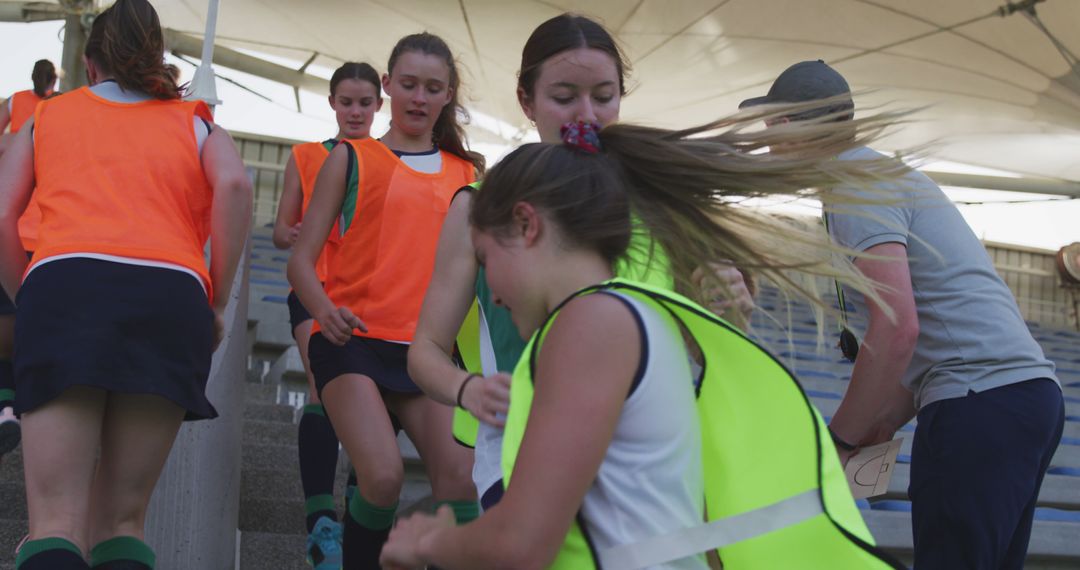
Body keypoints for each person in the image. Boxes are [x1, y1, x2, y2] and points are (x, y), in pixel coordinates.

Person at [381, 118, 909, 570]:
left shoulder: (588, 324)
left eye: (486, 257)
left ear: (525, 224)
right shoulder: (628, 315)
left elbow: (522, 543)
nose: (490, 294)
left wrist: (426, 539)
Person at [407, 13, 754, 512]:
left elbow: (695, 345)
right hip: (522, 459)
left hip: (651, 466)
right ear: (526, 101)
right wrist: (469, 390)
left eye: (604, 96)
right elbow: (425, 352)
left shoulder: (662, 205)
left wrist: (729, 309)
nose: (586, 114)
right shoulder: (477, 208)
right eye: (565, 97)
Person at [741, 60, 1065, 570]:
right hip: (1024, 399)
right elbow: (917, 344)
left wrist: (840, 439)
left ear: (789, 123)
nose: (765, 146)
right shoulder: (876, 176)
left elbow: (897, 329)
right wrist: (869, 433)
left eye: (769, 129)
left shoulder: (853, 183)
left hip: (977, 404)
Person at [0, 0, 252, 568]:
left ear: (90, 65)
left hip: (64, 285)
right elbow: (235, 187)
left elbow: (1, 212)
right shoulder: (195, 120)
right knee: (121, 519)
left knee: (56, 520)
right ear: (158, 58)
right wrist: (212, 298)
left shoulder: (49, 115)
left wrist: (27, 292)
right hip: (169, 296)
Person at [287, 32, 481, 569]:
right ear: (388, 86)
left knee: (462, 484)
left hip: (427, 355)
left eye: (433, 88)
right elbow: (301, 261)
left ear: (448, 96)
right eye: (410, 85)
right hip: (352, 345)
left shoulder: (468, 175)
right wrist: (324, 311)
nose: (420, 97)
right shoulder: (350, 158)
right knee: (382, 476)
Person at [272, 61, 382, 570]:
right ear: (332, 104)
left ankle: (358, 512)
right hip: (315, 285)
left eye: (365, 102)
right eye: (347, 102)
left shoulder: (391, 161)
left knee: (376, 401)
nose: (355, 111)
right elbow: (280, 231)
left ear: (378, 106)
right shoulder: (305, 156)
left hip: (373, 294)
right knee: (321, 382)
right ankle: (320, 524)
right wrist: (303, 233)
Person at [0, 59, 58, 457]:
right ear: (55, 81)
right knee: (32, 332)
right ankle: (23, 410)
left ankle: (6, 407)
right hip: (50, 241)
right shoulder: (62, 112)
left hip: (12, 232)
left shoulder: (14, 104)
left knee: (6, 333)